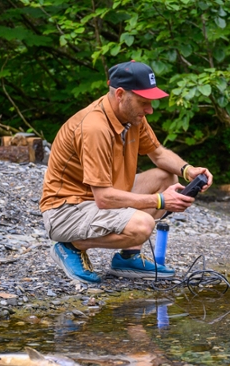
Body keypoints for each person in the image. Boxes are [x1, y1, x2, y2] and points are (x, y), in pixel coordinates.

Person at [39, 60, 212, 284]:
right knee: (143, 225)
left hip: (98, 199)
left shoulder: (132, 117)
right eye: (143, 102)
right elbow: (103, 198)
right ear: (120, 94)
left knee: (165, 177)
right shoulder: (95, 128)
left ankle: (128, 257)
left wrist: (189, 170)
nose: (149, 110)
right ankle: (70, 246)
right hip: (66, 211)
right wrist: (160, 200)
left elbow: (158, 153)